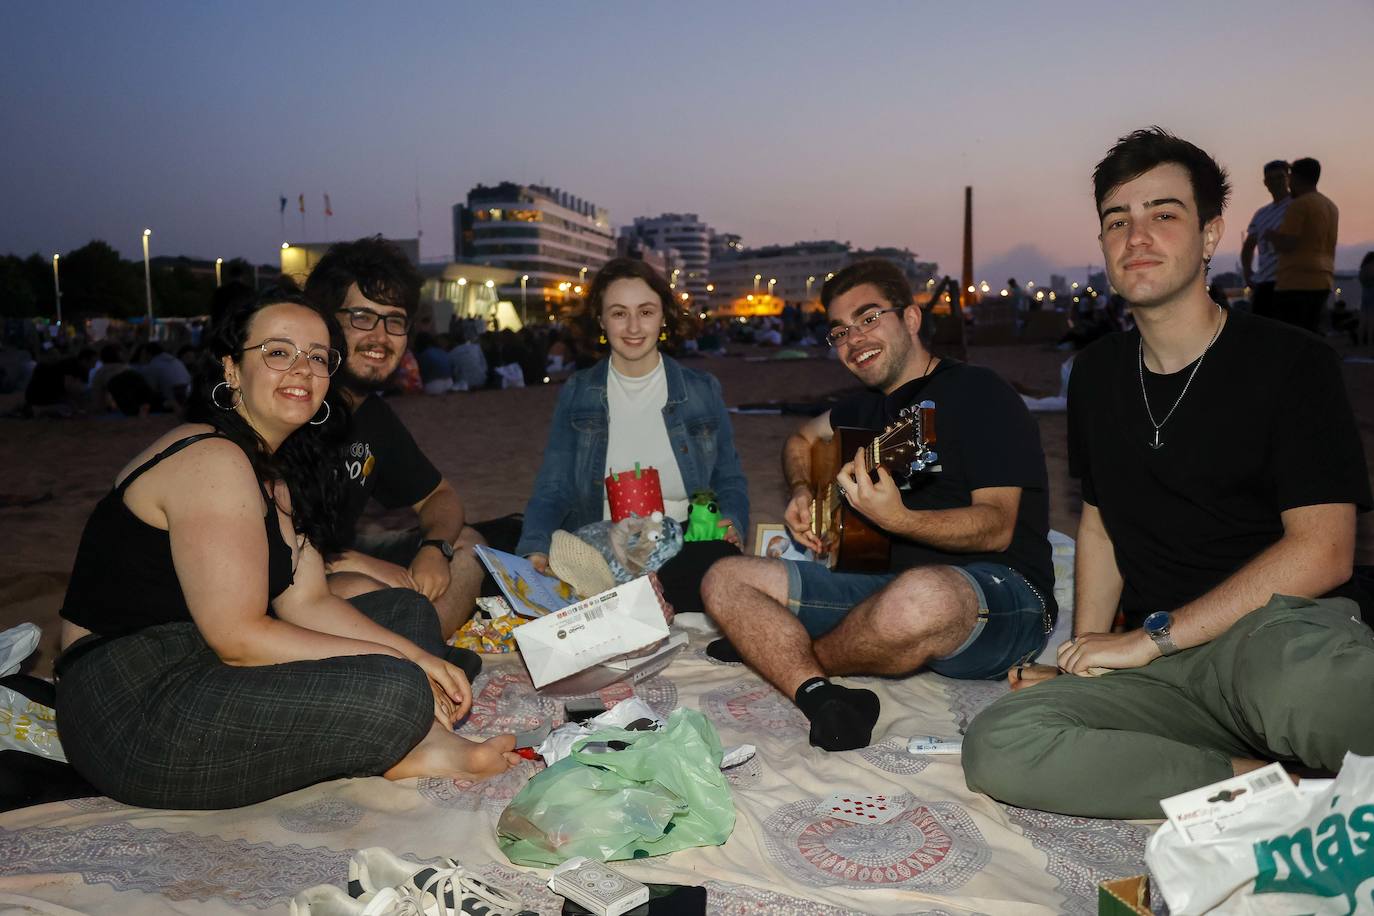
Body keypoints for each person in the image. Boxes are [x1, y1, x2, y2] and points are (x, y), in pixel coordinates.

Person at [962, 128, 1373, 819]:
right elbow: (1100, 524)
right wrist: (1080, 657)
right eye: (1117, 220)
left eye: (1164, 213)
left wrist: (1147, 637)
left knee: (1317, 695)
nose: (1136, 236)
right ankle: (1275, 787)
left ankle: (1285, 759)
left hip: (1273, 640)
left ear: (1211, 235)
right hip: (1162, 673)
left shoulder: (1291, 361)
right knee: (1002, 742)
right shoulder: (1094, 374)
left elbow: (1324, 551)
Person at [54, 289, 518, 810]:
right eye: (278, 352)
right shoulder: (211, 459)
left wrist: (410, 652)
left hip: (200, 665)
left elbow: (309, 602)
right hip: (132, 707)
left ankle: (414, 743)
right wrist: (399, 663)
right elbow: (238, 637)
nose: (301, 369)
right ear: (232, 368)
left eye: (317, 357)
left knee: (404, 610)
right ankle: (409, 740)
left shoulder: (276, 475)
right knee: (395, 687)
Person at [700, 258, 1056, 752]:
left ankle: (792, 657)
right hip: (881, 592)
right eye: (840, 331)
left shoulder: (979, 391)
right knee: (724, 576)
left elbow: (996, 527)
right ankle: (816, 691)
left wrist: (900, 519)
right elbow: (801, 439)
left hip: (1000, 596)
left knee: (922, 597)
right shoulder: (861, 409)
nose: (854, 339)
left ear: (911, 318)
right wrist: (804, 490)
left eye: (869, 319)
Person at [516, 257, 749, 613]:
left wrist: (731, 518)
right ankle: (640, 597)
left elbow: (728, 477)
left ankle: (641, 597)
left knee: (717, 559)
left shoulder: (701, 390)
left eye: (646, 311)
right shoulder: (579, 391)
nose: (634, 327)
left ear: (664, 316)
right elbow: (554, 485)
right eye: (619, 313)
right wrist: (534, 549)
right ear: (601, 320)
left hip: (683, 542)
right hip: (603, 545)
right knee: (530, 555)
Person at [303, 236, 488, 638]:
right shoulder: (296, 403)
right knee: (361, 590)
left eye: (394, 319)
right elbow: (264, 549)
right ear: (325, 321)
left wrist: (434, 549)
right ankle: (411, 641)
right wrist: (359, 564)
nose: (381, 335)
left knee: (470, 546)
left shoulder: (372, 415)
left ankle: (412, 640)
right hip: (287, 581)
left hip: (338, 564)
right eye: (362, 317)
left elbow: (441, 497)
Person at [1267, 156, 1338, 333]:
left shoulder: (1299, 205)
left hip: (1295, 280)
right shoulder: (1330, 206)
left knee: (1292, 336)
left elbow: (1289, 243)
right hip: (1323, 279)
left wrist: (1273, 236)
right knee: (1311, 333)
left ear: (1296, 178)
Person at [1239, 159, 1290, 319]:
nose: (1276, 182)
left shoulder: (1297, 206)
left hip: (1290, 279)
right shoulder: (1261, 214)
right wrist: (1248, 272)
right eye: (1271, 179)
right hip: (1265, 281)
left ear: (1288, 178)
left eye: (1280, 177)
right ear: (1265, 183)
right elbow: (1248, 246)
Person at [1359, 251, 1374, 348]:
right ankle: (1369, 342)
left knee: (1363, 320)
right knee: (1371, 320)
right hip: (1372, 293)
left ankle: (1361, 342)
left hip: (1365, 293)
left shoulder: (1363, 268)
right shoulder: (1372, 267)